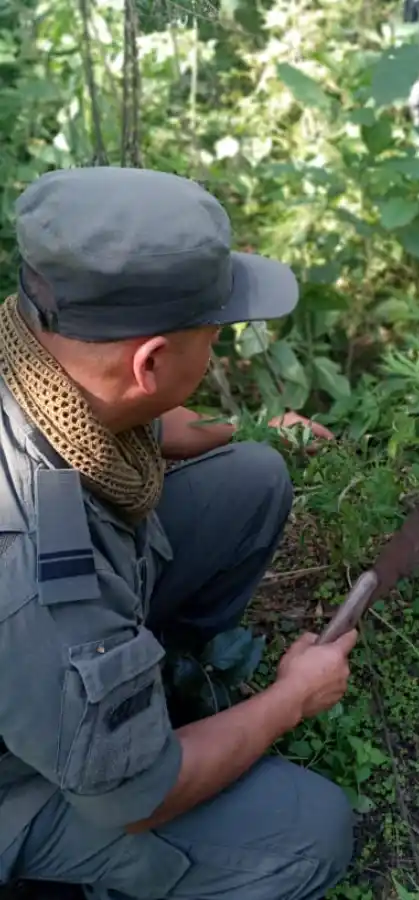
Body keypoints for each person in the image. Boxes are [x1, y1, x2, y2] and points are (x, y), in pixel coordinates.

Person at [0, 166, 358, 900]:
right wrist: (291, 698)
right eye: (214, 338)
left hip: (33, 668)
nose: (218, 351)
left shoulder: (35, 349)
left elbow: (150, 420)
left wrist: (259, 429)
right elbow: (139, 799)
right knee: (309, 832)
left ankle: (156, 685)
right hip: (20, 770)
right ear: (152, 361)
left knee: (252, 476)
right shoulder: (41, 565)